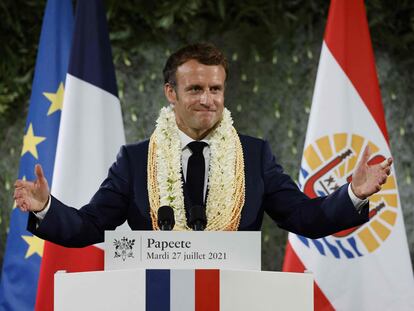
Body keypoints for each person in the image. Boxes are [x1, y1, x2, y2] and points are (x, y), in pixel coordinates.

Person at [14, 43, 392, 247]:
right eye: (195, 88)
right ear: (171, 93)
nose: (207, 99)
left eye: (216, 89)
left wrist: (353, 194)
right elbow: (90, 226)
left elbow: (303, 218)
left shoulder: (254, 155)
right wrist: (46, 207)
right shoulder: (135, 160)